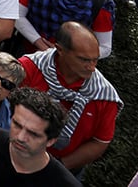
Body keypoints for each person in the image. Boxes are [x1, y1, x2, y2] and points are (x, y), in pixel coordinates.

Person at [16, 22, 121, 175]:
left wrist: (54, 168)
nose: (92, 67)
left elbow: (100, 142)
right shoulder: (28, 68)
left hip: (59, 170)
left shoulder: (104, 96)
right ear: (60, 50)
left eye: (95, 60)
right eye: (84, 60)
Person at [0, 87, 79, 187]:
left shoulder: (64, 183)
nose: (20, 137)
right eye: (16, 124)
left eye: (33, 133)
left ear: (51, 141)